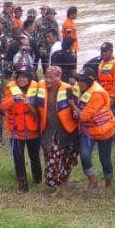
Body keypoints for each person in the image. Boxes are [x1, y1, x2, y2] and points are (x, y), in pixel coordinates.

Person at [72, 69, 115, 190]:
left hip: (104, 131)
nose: (79, 82)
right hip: (87, 130)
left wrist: (73, 106)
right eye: (78, 79)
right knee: (85, 156)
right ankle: (92, 179)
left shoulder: (97, 94)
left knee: (105, 159)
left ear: (90, 81)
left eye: (82, 80)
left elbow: (83, 116)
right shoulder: (78, 86)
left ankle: (108, 180)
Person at [0, 65, 42, 191]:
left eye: (24, 77)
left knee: (34, 155)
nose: (21, 79)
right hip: (16, 129)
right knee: (18, 156)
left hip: (32, 129)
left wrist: (28, 104)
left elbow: (39, 113)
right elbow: (2, 107)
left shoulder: (36, 89)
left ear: (30, 78)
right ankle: (22, 183)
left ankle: (38, 179)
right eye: (19, 77)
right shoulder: (10, 89)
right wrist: (13, 100)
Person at [40, 66, 80, 195]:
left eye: (51, 77)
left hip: (65, 130)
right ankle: (57, 186)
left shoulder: (68, 90)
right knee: (51, 157)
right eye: (46, 76)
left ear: (59, 77)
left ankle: (61, 183)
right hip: (49, 129)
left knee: (66, 157)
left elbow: (77, 108)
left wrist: (75, 113)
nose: (48, 80)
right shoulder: (41, 89)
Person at [96, 42, 115, 125]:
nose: (103, 53)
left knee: (113, 122)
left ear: (111, 51)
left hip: (113, 99)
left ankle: (113, 137)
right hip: (104, 98)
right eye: (102, 51)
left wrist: (111, 99)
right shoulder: (101, 63)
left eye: (105, 51)